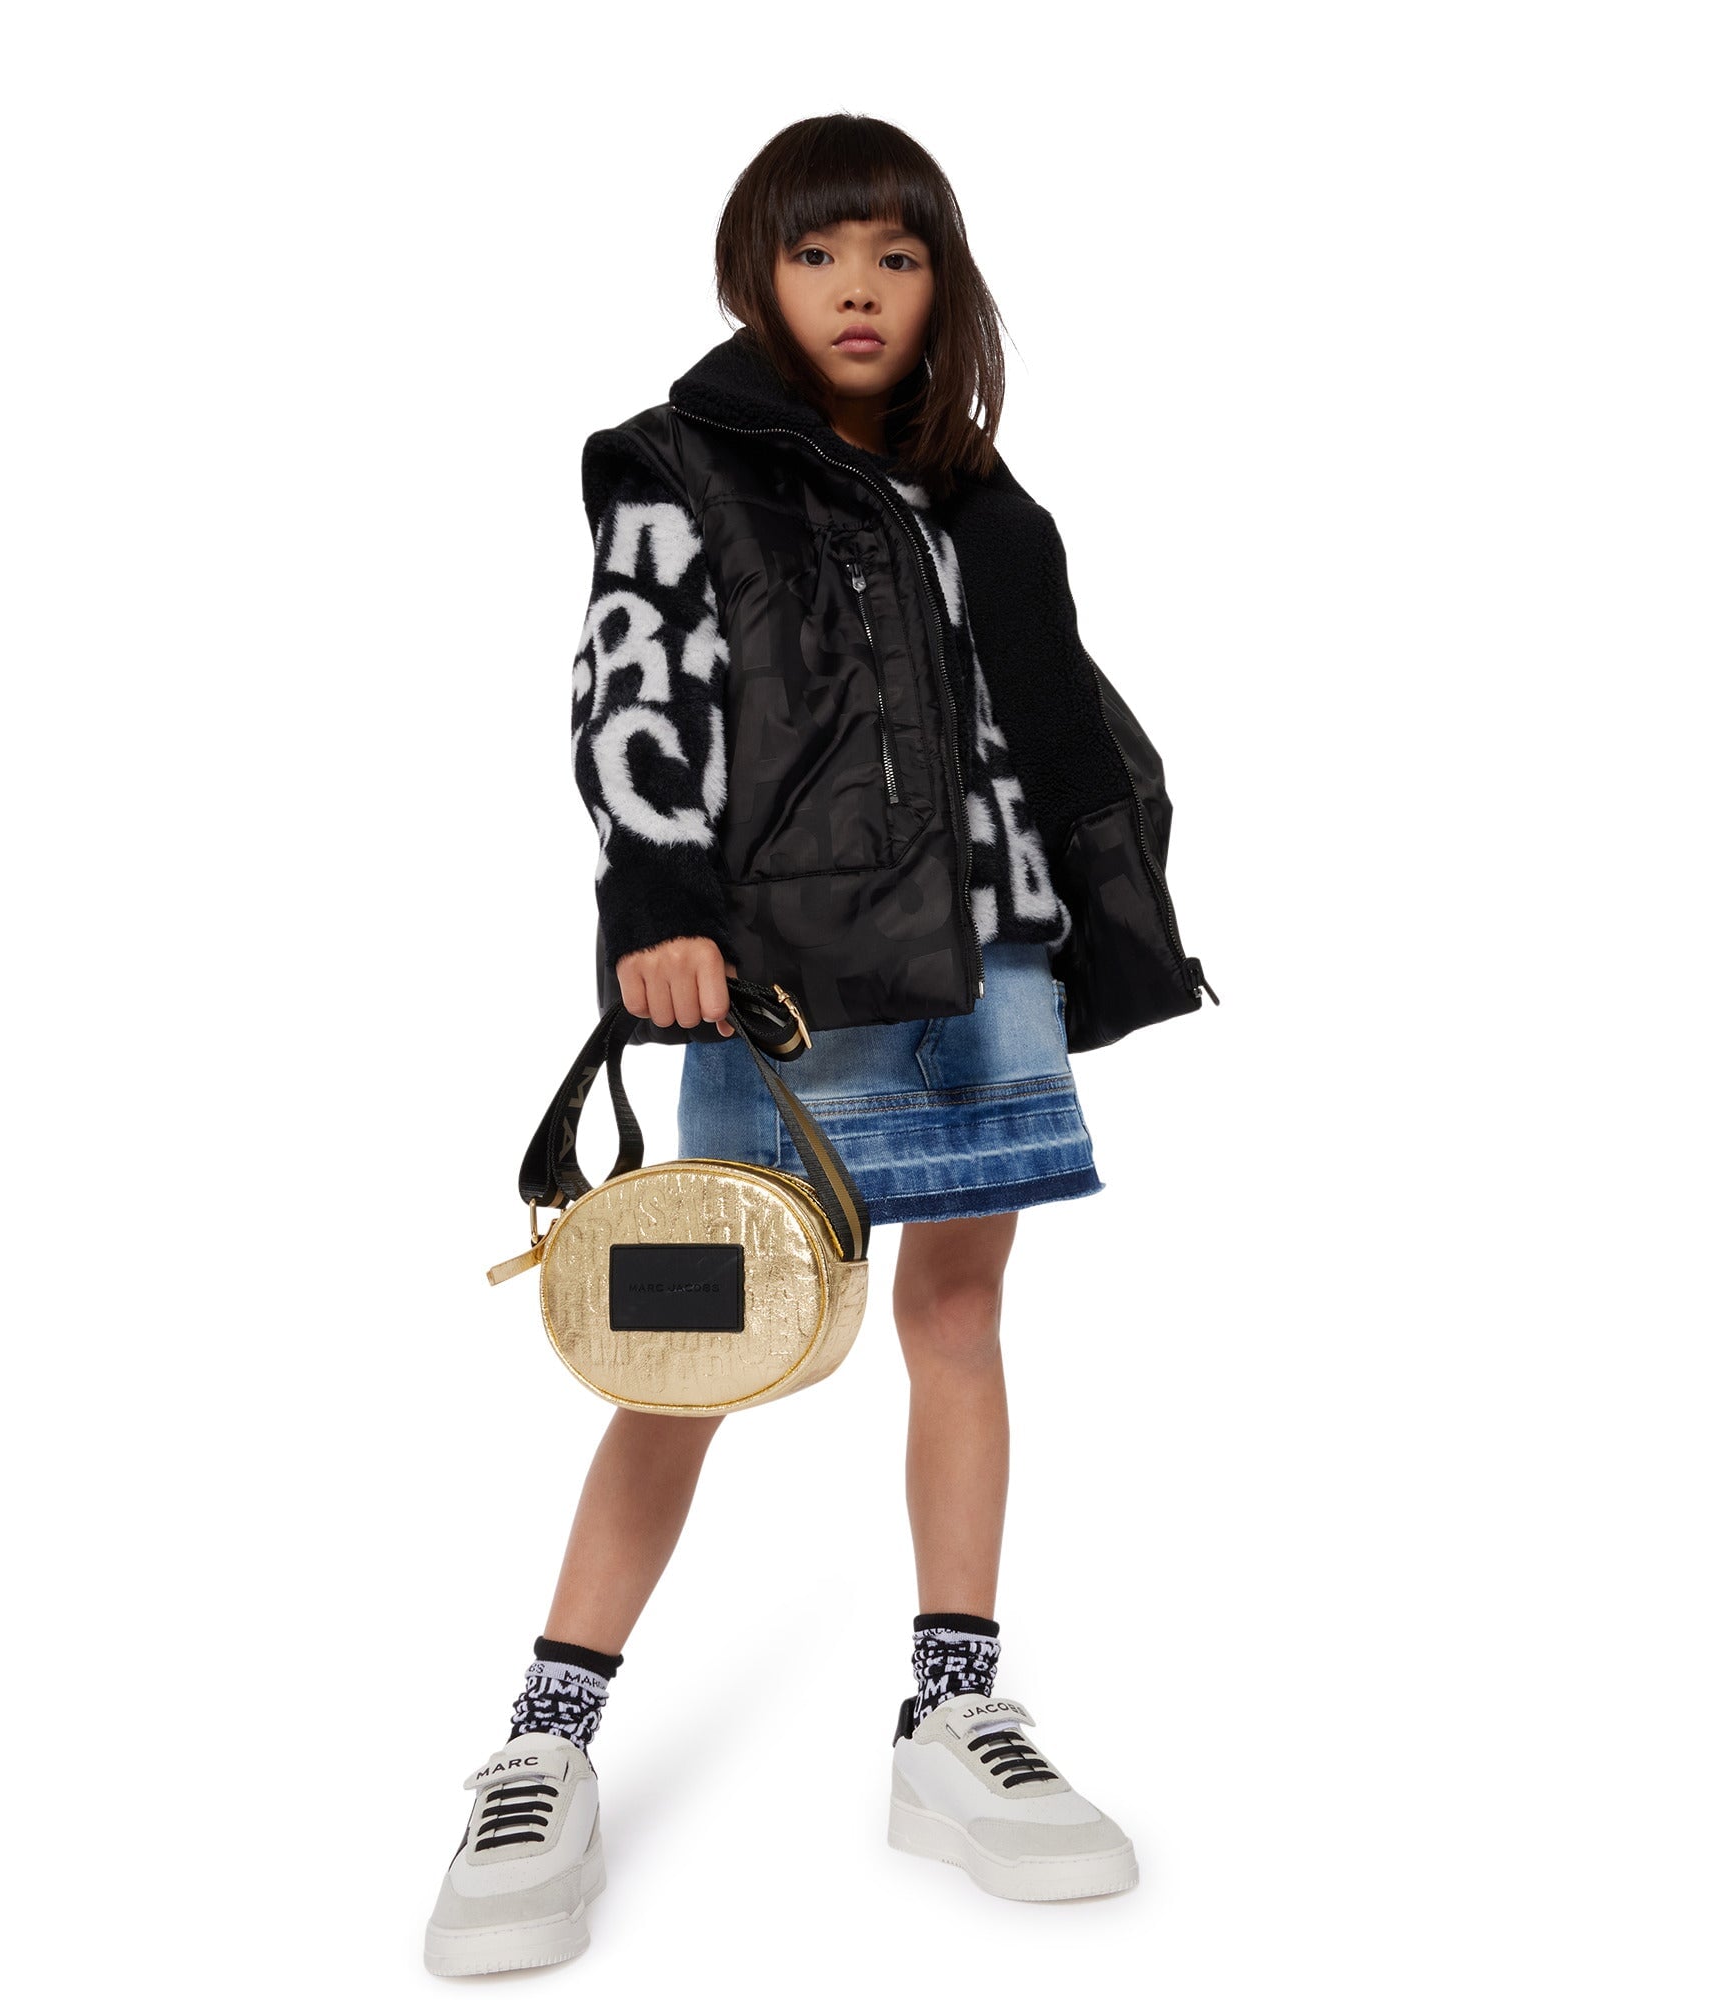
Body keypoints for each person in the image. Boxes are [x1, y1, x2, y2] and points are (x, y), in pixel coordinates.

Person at [424, 112, 1216, 1977]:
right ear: (756, 278)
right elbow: (633, 692)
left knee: (958, 1317)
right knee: (692, 1352)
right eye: (818, 254)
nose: (859, 289)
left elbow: (1053, 722)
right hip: (789, 978)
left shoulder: (981, 498)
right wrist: (657, 900)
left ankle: (954, 1713)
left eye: (897, 255)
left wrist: (1109, 910)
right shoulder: (679, 465)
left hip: (988, 961)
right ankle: (544, 1742)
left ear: (945, 283)